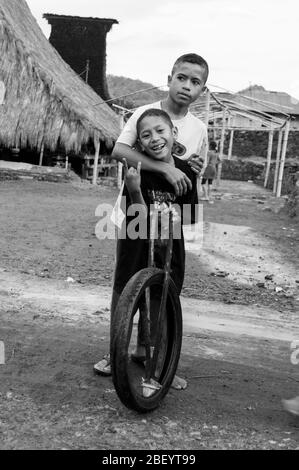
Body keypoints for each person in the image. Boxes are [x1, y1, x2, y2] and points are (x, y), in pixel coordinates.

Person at [94, 52, 209, 387]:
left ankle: (152, 356)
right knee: (126, 284)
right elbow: (120, 151)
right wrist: (166, 168)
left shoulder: (198, 128)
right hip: (135, 211)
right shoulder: (143, 114)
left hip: (169, 223)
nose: (186, 86)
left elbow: (192, 177)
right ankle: (115, 351)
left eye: (195, 81)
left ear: (203, 89)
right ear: (169, 78)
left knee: (161, 289)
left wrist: (198, 173)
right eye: (181, 78)